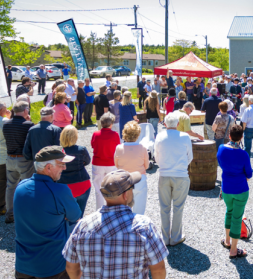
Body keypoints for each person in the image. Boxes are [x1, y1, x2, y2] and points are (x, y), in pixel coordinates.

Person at [63, 170, 168, 279]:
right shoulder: (144, 226)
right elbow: (158, 269)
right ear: (125, 194)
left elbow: (71, 267)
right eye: (132, 188)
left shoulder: (83, 226)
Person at [14, 146, 80, 279]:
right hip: (53, 266)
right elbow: (76, 216)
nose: (64, 168)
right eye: (61, 164)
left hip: (23, 264)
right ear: (48, 167)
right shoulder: (60, 190)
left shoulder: (20, 187)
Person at [155, 112, 193, 246]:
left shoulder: (159, 136)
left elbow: (156, 157)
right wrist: (181, 166)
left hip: (164, 174)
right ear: (177, 124)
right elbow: (190, 157)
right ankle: (176, 237)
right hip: (181, 175)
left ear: (165, 124)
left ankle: (165, 237)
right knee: (178, 207)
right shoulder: (185, 136)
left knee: (164, 207)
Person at [217, 124, 253, 258]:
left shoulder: (221, 149)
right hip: (240, 188)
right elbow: (249, 174)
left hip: (226, 187)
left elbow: (220, 163)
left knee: (229, 212)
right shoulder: (243, 154)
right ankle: (233, 249)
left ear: (229, 136)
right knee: (237, 218)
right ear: (241, 137)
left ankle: (227, 240)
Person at [2, 101, 35, 224]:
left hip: (10, 158)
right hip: (24, 159)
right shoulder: (28, 125)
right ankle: (27, 214)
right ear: (25, 110)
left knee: (10, 187)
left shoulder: (6, 124)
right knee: (27, 187)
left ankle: (10, 213)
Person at [114, 121, 149, 215]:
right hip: (139, 180)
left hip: (123, 180)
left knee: (124, 211)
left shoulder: (119, 148)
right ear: (137, 134)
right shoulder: (142, 148)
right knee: (139, 211)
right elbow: (147, 166)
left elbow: (116, 165)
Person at [90, 113, 121, 209]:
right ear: (111, 124)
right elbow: (118, 147)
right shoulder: (115, 134)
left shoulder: (95, 134)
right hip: (111, 164)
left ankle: (99, 209)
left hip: (98, 163)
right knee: (112, 189)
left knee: (98, 189)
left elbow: (92, 145)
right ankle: (111, 208)